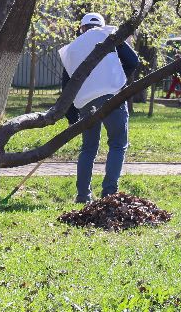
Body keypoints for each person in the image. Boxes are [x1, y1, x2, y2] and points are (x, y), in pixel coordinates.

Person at [58, 12, 140, 204]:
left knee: (88, 148)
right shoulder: (109, 37)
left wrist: (71, 116)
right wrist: (121, 81)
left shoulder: (72, 50)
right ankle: (109, 194)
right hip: (113, 98)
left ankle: (83, 195)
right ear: (101, 25)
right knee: (118, 144)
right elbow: (133, 61)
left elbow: (67, 86)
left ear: (81, 28)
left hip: (85, 103)